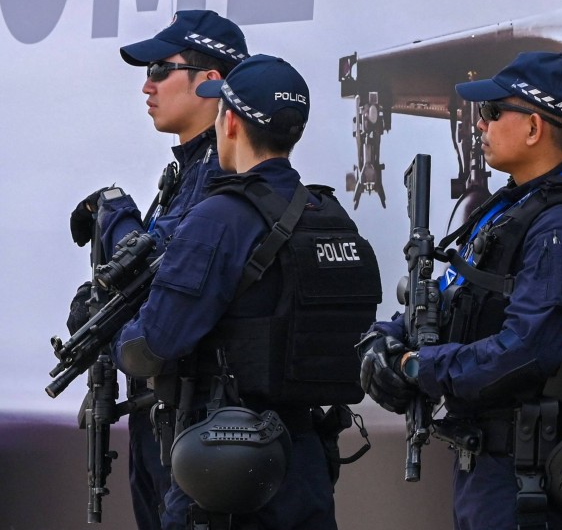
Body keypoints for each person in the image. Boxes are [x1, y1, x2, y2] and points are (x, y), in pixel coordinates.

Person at [113, 54, 381, 529]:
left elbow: (151, 347)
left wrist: (115, 335)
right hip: (306, 468)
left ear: (230, 121)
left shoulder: (218, 220)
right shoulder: (331, 216)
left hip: (224, 476)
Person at [359, 52, 562, 530]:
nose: (480, 125)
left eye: (493, 112)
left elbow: (527, 351)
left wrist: (418, 368)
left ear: (534, 128)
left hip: (524, 476)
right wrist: (387, 338)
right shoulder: (513, 207)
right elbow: (450, 295)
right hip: (488, 467)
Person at [67, 9, 248, 530]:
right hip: (165, 415)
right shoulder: (188, 170)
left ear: (210, 83)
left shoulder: (222, 176)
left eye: (159, 70)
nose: (146, 86)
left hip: (200, 423)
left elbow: (153, 274)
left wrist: (114, 212)